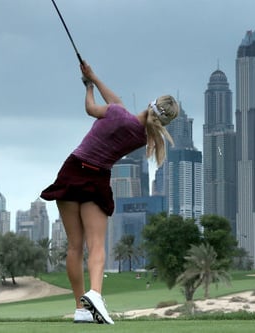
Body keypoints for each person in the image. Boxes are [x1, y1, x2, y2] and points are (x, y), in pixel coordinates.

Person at [40, 60, 179, 324]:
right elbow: (119, 105)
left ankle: (82, 306)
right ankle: (95, 294)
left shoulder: (117, 114)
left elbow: (92, 108)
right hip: (96, 178)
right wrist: (93, 77)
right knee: (96, 246)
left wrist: (88, 87)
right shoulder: (144, 137)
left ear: (150, 103)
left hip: (72, 170)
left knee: (74, 246)